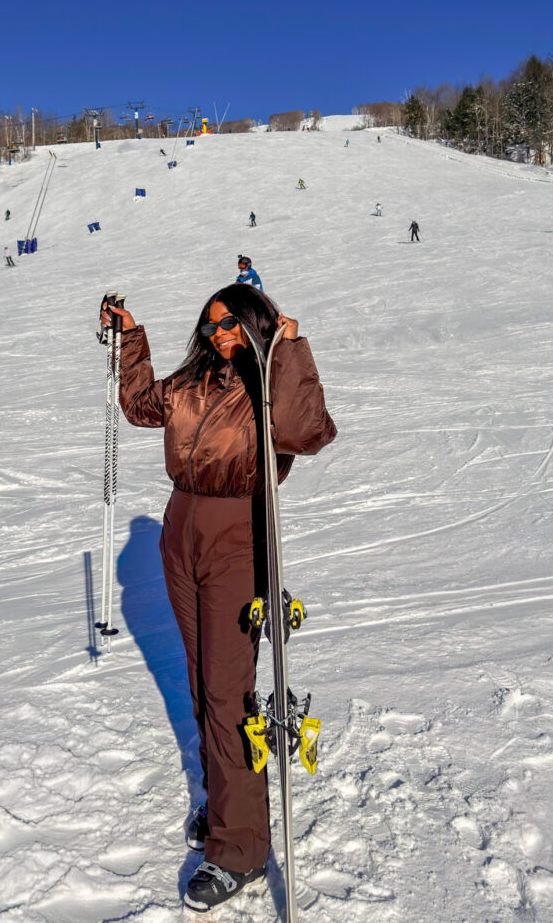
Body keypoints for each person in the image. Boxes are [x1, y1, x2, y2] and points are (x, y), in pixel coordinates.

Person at [102, 285, 336, 911]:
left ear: (256, 324)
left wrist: (288, 350)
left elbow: (308, 432)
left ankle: (241, 849)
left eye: (230, 324)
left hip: (239, 535)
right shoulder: (195, 380)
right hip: (181, 534)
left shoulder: (267, 389)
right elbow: (142, 406)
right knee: (205, 681)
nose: (218, 335)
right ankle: (225, 801)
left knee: (230, 690)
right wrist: (131, 337)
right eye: (210, 326)